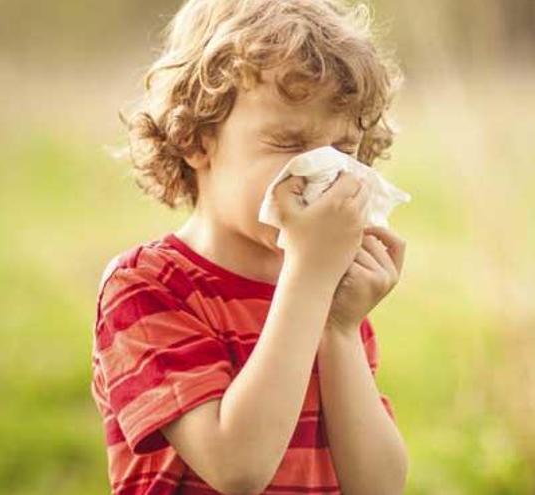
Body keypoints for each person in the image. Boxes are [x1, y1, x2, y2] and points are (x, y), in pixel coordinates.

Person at [89, 1, 408, 493]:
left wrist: (340, 331)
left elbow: (379, 485)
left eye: (343, 151)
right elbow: (237, 467)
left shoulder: (328, 294)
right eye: (287, 143)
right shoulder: (147, 287)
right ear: (195, 139)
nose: (322, 174)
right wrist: (310, 279)